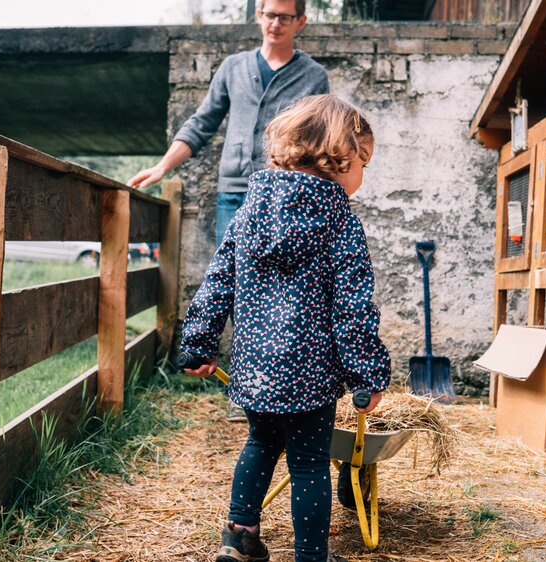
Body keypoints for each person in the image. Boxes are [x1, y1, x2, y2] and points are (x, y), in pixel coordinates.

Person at [179, 94, 391, 562]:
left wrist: (199, 342)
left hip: (256, 367)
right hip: (311, 371)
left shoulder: (250, 211)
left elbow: (219, 279)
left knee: (260, 442)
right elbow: (353, 308)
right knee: (311, 463)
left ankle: (238, 538)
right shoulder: (339, 222)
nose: (363, 176)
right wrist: (367, 376)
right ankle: (311, 556)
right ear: (336, 160)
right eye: (362, 164)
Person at [128, 0, 329, 421]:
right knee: (237, 285)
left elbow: (318, 139)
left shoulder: (313, 75)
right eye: (269, 14)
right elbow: (202, 123)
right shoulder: (233, 68)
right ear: (258, 15)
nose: (276, 23)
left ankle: (286, 390)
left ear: (301, 22)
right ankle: (246, 391)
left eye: (285, 17)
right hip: (236, 193)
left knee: (285, 291)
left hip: (287, 195)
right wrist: (162, 166)